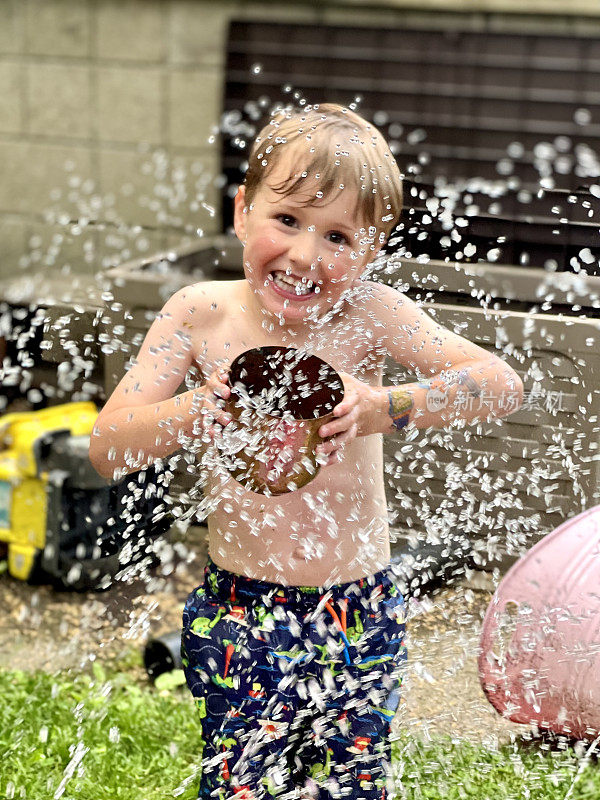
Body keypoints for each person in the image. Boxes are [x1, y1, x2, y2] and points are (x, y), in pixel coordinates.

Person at [90, 103, 523, 800]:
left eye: (339, 236)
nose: (304, 256)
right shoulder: (200, 312)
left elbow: (501, 383)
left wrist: (384, 407)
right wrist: (202, 407)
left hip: (357, 604)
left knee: (351, 786)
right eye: (286, 219)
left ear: (372, 251)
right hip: (242, 605)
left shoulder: (372, 315)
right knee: (240, 785)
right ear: (242, 210)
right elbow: (108, 449)